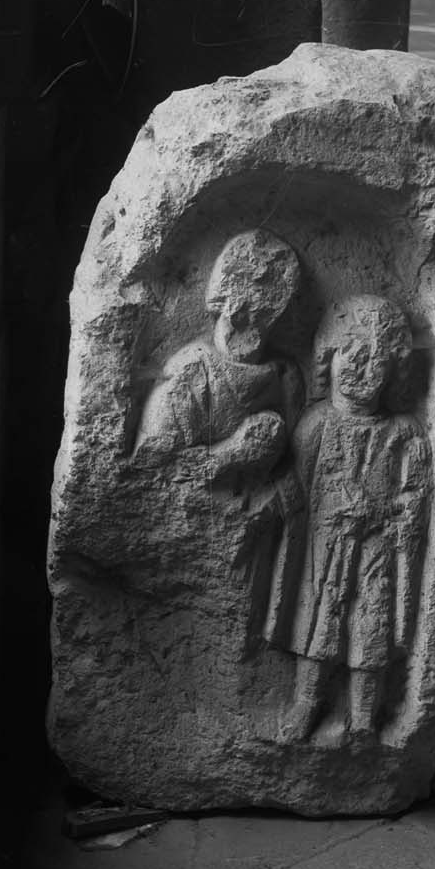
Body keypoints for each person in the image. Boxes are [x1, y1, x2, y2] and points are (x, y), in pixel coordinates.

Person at [266, 295, 431, 743]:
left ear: (394, 372)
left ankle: (363, 717)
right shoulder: (316, 425)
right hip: (325, 551)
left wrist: (384, 514)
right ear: (329, 358)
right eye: (352, 355)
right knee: (319, 626)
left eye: (377, 360)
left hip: (376, 551)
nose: (362, 369)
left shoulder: (403, 434)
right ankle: (306, 704)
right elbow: (295, 493)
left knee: (370, 629)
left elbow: (414, 497)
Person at [133, 229, 305, 645]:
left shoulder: (284, 375)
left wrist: (278, 481)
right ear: (225, 300)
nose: (254, 313)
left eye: (271, 302)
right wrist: (232, 453)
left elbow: (296, 465)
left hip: (258, 535)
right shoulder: (191, 372)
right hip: (196, 542)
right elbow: (154, 471)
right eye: (246, 299)